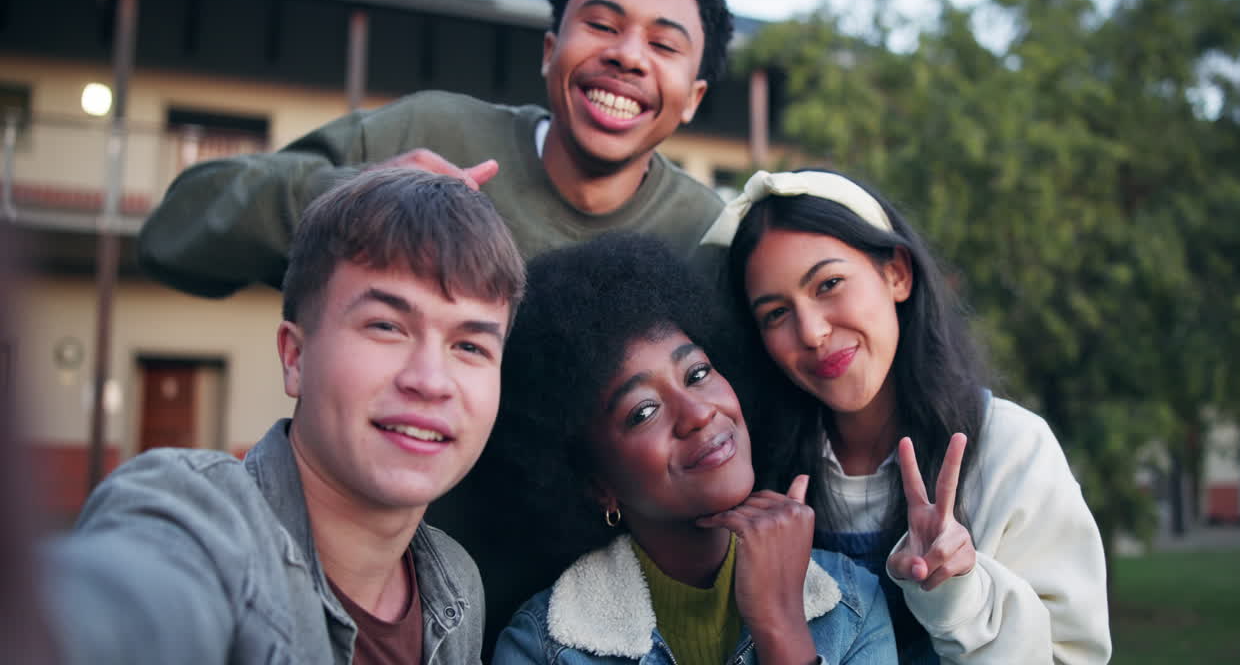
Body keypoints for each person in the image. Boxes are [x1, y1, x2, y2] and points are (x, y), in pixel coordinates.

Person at [41, 169, 526, 664]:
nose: (430, 380)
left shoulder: (455, 583)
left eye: (469, 345)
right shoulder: (202, 520)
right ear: (295, 358)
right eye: (386, 325)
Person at [137, 0, 733, 298]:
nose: (628, 54)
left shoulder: (713, 240)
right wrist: (359, 202)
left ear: (693, 99)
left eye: (663, 44)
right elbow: (173, 235)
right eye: (602, 25)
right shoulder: (427, 130)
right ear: (550, 49)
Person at [709, 170, 1112, 664]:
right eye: (775, 314)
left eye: (829, 284)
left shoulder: (1011, 449)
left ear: (896, 273)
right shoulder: (754, 473)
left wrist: (958, 593)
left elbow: (1071, 655)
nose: (812, 332)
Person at [489, 233, 897, 665]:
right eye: (643, 412)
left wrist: (780, 624)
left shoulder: (852, 603)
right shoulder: (539, 648)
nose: (698, 413)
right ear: (597, 484)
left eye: (698, 373)